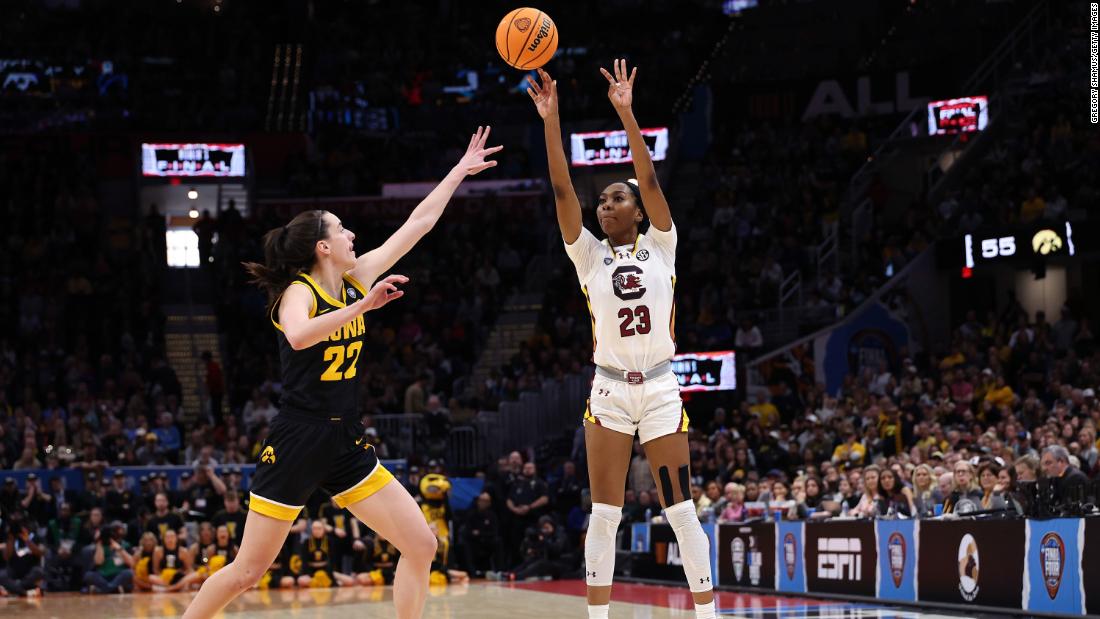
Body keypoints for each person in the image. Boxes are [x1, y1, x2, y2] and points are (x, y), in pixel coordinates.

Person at [180, 126, 501, 619]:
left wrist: (459, 170)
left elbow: (418, 223)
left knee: (420, 544)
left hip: (345, 441)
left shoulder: (355, 280)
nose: (352, 234)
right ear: (322, 247)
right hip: (298, 439)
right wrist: (365, 308)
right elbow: (299, 336)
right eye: (342, 229)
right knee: (248, 571)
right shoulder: (300, 292)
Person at [527, 60, 715, 619]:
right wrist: (550, 119)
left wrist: (627, 113)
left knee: (681, 511)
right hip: (608, 391)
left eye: (615, 198)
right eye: (602, 202)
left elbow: (650, 178)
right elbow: (562, 187)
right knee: (604, 514)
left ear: (638, 208)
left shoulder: (662, 243)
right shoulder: (587, 254)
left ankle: (708, 614)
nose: (604, 206)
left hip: (660, 387)